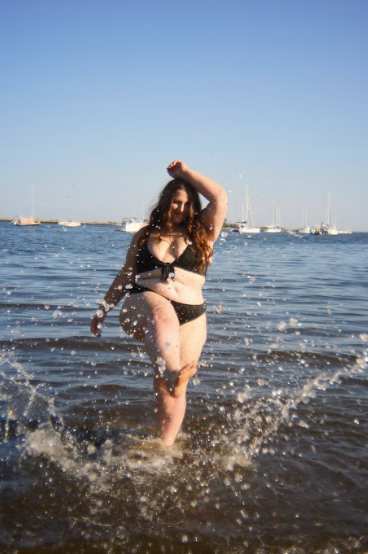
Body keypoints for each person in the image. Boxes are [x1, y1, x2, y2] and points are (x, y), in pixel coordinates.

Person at [91, 160, 227, 446]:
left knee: (171, 387)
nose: (181, 209)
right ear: (166, 202)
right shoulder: (145, 235)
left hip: (192, 313)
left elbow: (220, 197)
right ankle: (175, 374)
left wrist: (185, 173)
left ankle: (164, 449)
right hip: (146, 302)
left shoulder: (203, 232)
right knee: (164, 326)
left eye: (188, 204)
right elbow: (125, 276)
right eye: (176, 202)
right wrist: (103, 309)